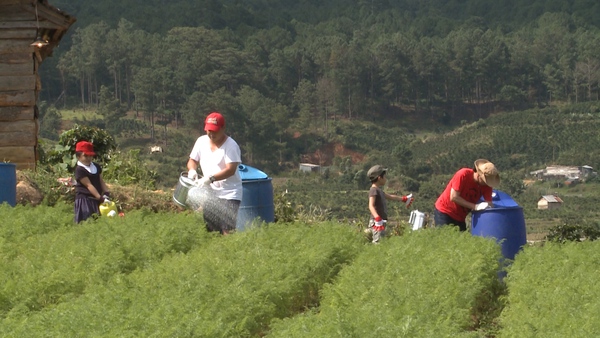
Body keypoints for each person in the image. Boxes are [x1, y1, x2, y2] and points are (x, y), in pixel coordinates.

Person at [187, 112, 243, 235]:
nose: (211, 134)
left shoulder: (231, 146)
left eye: (215, 131)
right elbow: (192, 160)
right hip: (211, 193)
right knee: (211, 228)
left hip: (230, 193)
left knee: (227, 229)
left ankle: (230, 251)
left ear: (223, 128)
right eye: (209, 131)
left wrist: (210, 178)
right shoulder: (201, 141)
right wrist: (192, 170)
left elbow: (230, 169)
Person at [434, 159, 500, 231]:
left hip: (460, 217)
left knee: (461, 241)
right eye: (485, 181)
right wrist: (475, 207)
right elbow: (453, 197)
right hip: (445, 212)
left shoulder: (486, 186)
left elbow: (489, 203)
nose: (486, 184)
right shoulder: (463, 174)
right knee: (445, 239)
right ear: (479, 175)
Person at [366, 165, 414, 243]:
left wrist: (404, 199)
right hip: (377, 222)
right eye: (384, 176)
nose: (386, 179)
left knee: (382, 241)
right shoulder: (373, 190)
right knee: (378, 243)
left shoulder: (379, 191)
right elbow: (371, 205)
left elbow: (391, 197)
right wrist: (377, 218)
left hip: (380, 221)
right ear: (379, 178)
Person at [74, 140, 111, 223]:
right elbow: (89, 185)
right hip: (85, 200)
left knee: (98, 222)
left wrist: (106, 193)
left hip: (96, 199)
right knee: (87, 223)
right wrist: (100, 198)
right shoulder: (79, 170)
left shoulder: (96, 167)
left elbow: (100, 180)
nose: (88, 158)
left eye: (90, 156)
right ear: (78, 156)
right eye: (85, 156)